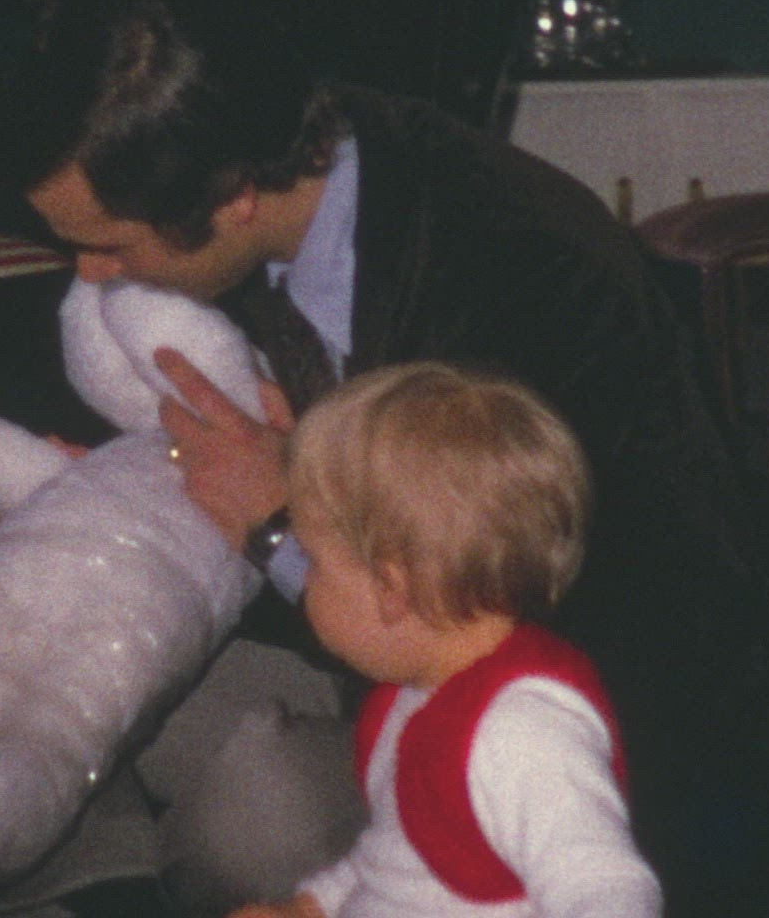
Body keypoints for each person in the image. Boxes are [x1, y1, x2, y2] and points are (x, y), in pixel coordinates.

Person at [0, 0, 769, 915]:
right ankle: (103, 881)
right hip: (363, 659)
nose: (91, 275)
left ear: (233, 193)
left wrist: (276, 524)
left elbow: (491, 620)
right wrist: (121, 498)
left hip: (554, 743)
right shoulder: (264, 200)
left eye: (112, 246)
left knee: (262, 816)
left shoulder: (513, 270)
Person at [232, 360, 663, 917]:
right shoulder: (419, 693)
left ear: (392, 588)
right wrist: (310, 907)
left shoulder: (522, 730)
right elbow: (392, 861)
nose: (304, 580)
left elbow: (606, 888)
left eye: (312, 560)